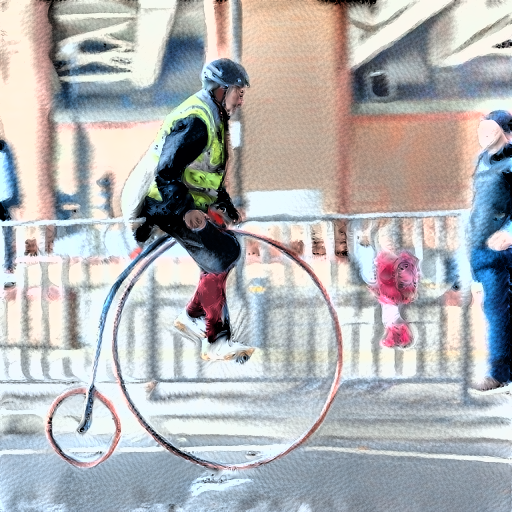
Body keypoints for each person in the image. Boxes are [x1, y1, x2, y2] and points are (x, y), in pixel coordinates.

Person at [125, 59, 254, 364]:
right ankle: (215, 339)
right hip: (163, 204)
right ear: (221, 90)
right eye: (238, 92)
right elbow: (167, 171)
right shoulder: (197, 119)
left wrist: (226, 207)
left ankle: (195, 315)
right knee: (222, 253)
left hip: (177, 202)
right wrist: (184, 210)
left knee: (222, 252)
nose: (240, 100)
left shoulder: (214, 117)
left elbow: (206, 174)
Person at [468, 110, 512, 393]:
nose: (483, 133)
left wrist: (509, 233)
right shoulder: (480, 161)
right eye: (481, 128)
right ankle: (500, 373)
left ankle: (499, 373)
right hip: (483, 252)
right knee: (495, 311)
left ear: (506, 133)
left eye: (490, 129)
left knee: (499, 312)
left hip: (505, 251)